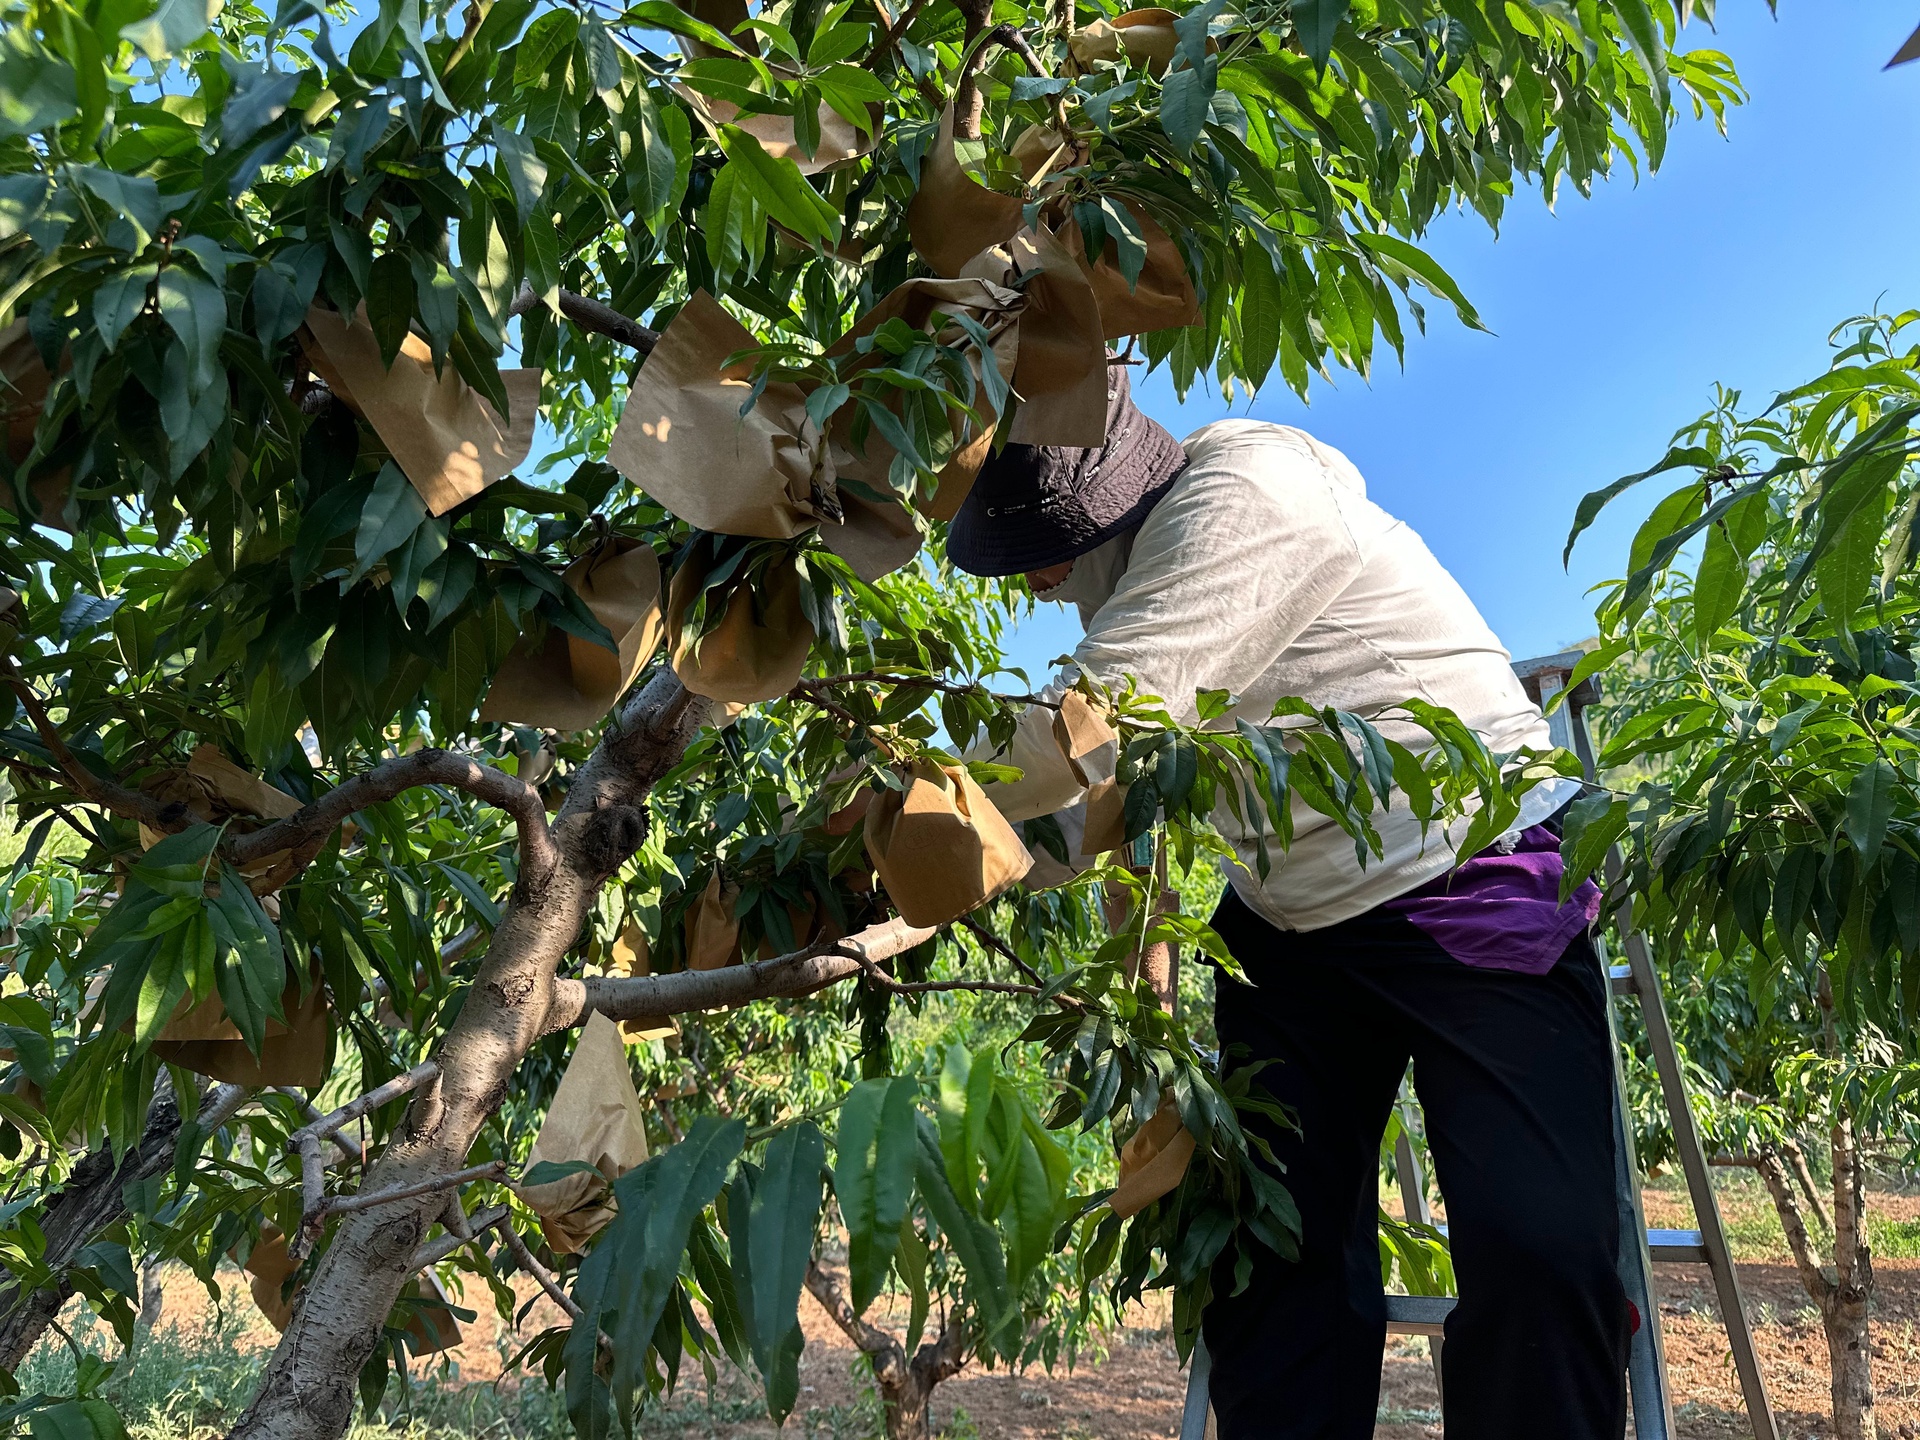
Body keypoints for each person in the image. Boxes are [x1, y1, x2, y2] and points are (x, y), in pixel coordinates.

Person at [946, 367, 1627, 1440]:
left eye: (1035, 548)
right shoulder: (1137, 584)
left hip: (1473, 878)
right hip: (1290, 932)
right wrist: (910, 888)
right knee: (1271, 1261)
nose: (1028, 582)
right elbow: (1082, 816)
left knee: (1541, 1252)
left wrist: (874, 822)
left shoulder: (1247, 490)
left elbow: (1092, 720)